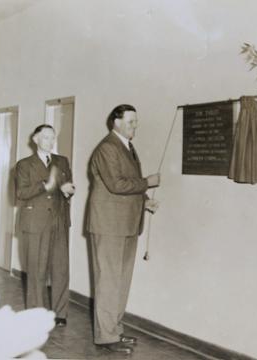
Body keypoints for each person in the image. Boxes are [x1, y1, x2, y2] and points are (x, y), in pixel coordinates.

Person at [86, 104, 160, 354]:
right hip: (108, 225)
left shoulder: (127, 147)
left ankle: (114, 331)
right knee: (108, 281)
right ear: (116, 122)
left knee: (121, 282)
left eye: (136, 121)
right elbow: (116, 184)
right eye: (130, 121)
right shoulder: (107, 147)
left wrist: (144, 200)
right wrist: (147, 182)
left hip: (127, 224)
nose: (135, 126)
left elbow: (127, 185)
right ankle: (106, 337)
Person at [15, 124, 75, 327]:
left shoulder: (62, 162)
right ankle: (36, 314)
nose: (50, 141)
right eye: (46, 137)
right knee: (36, 270)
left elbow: (68, 187)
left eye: (53, 137)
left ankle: (60, 314)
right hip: (36, 223)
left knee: (60, 269)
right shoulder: (24, 165)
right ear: (35, 139)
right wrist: (44, 185)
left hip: (59, 221)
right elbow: (21, 193)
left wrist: (68, 190)